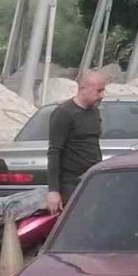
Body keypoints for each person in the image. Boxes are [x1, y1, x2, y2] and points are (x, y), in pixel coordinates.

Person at [45, 71, 108, 215]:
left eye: (103, 90)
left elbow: (93, 145)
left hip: (92, 179)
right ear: (83, 88)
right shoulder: (64, 113)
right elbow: (54, 152)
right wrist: (53, 191)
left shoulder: (94, 112)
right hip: (71, 184)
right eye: (99, 90)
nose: (103, 95)